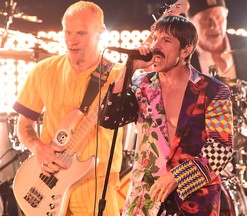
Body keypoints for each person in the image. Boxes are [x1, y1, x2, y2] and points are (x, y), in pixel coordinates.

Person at [99, 15, 233, 215]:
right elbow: (108, 118)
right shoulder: (141, 85)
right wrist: (130, 67)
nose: (155, 46)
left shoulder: (214, 90)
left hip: (194, 198)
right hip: (146, 196)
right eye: (154, 39)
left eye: (166, 40)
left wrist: (177, 177)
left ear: (186, 50)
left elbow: (222, 148)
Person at [12, 1, 123, 216]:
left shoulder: (118, 76)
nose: (71, 40)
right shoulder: (43, 70)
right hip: (48, 184)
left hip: (96, 188)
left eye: (81, 33)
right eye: (67, 32)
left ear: (100, 33)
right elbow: (24, 124)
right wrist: (38, 148)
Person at [186, 0, 247, 108]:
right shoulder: (181, 58)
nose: (214, 25)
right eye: (206, 19)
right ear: (191, 23)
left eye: (218, 17)